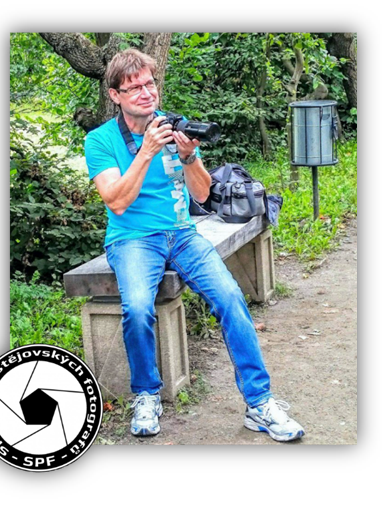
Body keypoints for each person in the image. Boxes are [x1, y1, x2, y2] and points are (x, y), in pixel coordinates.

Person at [84, 48, 305, 442]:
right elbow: (116, 201)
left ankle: (260, 403)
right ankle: (147, 394)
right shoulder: (100, 141)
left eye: (150, 84)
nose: (146, 93)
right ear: (115, 95)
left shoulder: (173, 126)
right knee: (137, 309)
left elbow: (203, 195)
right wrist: (147, 151)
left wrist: (188, 157)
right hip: (133, 240)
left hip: (184, 234)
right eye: (134, 88)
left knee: (230, 298)